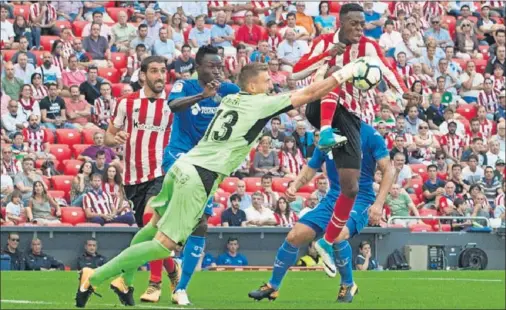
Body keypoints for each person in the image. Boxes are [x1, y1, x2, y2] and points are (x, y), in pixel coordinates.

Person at [75, 56, 367, 307]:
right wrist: (345, 73)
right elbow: (310, 94)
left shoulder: (230, 99)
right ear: (252, 86)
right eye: (265, 82)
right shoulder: (259, 104)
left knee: (152, 228)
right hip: (199, 176)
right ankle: (95, 276)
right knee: (164, 246)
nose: (269, 86)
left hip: (182, 166)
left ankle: (124, 281)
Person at [290, 3, 414, 271]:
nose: (360, 28)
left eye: (362, 23)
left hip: (350, 122)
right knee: (333, 75)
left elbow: (386, 68)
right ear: (341, 23)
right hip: (318, 109)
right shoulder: (324, 42)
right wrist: (326, 56)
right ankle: (323, 133)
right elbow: (296, 71)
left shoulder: (368, 46)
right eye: (354, 23)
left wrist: (403, 92)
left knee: (351, 187)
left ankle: (328, 244)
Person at [248, 122, 393, 303]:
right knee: (294, 236)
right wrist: (295, 186)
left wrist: (379, 204)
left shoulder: (369, 134)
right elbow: (311, 167)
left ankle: (348, 284)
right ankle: (273, 287)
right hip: (333, 198)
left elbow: (388, 169)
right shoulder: (327, 136)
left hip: (360, 198)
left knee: (338, 235)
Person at [140, 45, 240, 304]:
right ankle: (151, 282)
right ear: (198, 68)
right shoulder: (184, 86)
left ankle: (180, 287)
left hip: (206, 164)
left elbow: (252, 100)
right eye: (211, 66)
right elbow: (173, 106)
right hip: (179, 158)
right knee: (159, 220)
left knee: (201, 224)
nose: (217, 70)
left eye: (219, 66)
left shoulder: (227, 90)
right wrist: (203, 96)